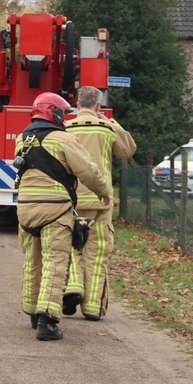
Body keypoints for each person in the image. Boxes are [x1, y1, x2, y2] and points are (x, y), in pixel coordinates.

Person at [15, 92, 111, 341]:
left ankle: (32, 311)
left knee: (32, 261)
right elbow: (88, 171)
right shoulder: (63, 140)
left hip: (25, 210)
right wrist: (104, 192)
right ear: (55, 114)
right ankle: (47, 322)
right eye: (63, 113)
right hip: (55, 210)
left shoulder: (22, 138)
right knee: (55, 263)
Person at [63, 86, 136, 321]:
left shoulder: (65, 129)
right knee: (97, 251)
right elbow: (128, 151)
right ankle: (93, 307)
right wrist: (112, 122)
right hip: (100, 200)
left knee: (70, 244)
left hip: (72, 199)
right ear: (98, 106)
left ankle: (73, 284)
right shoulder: (106, 128)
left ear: (76, 105)